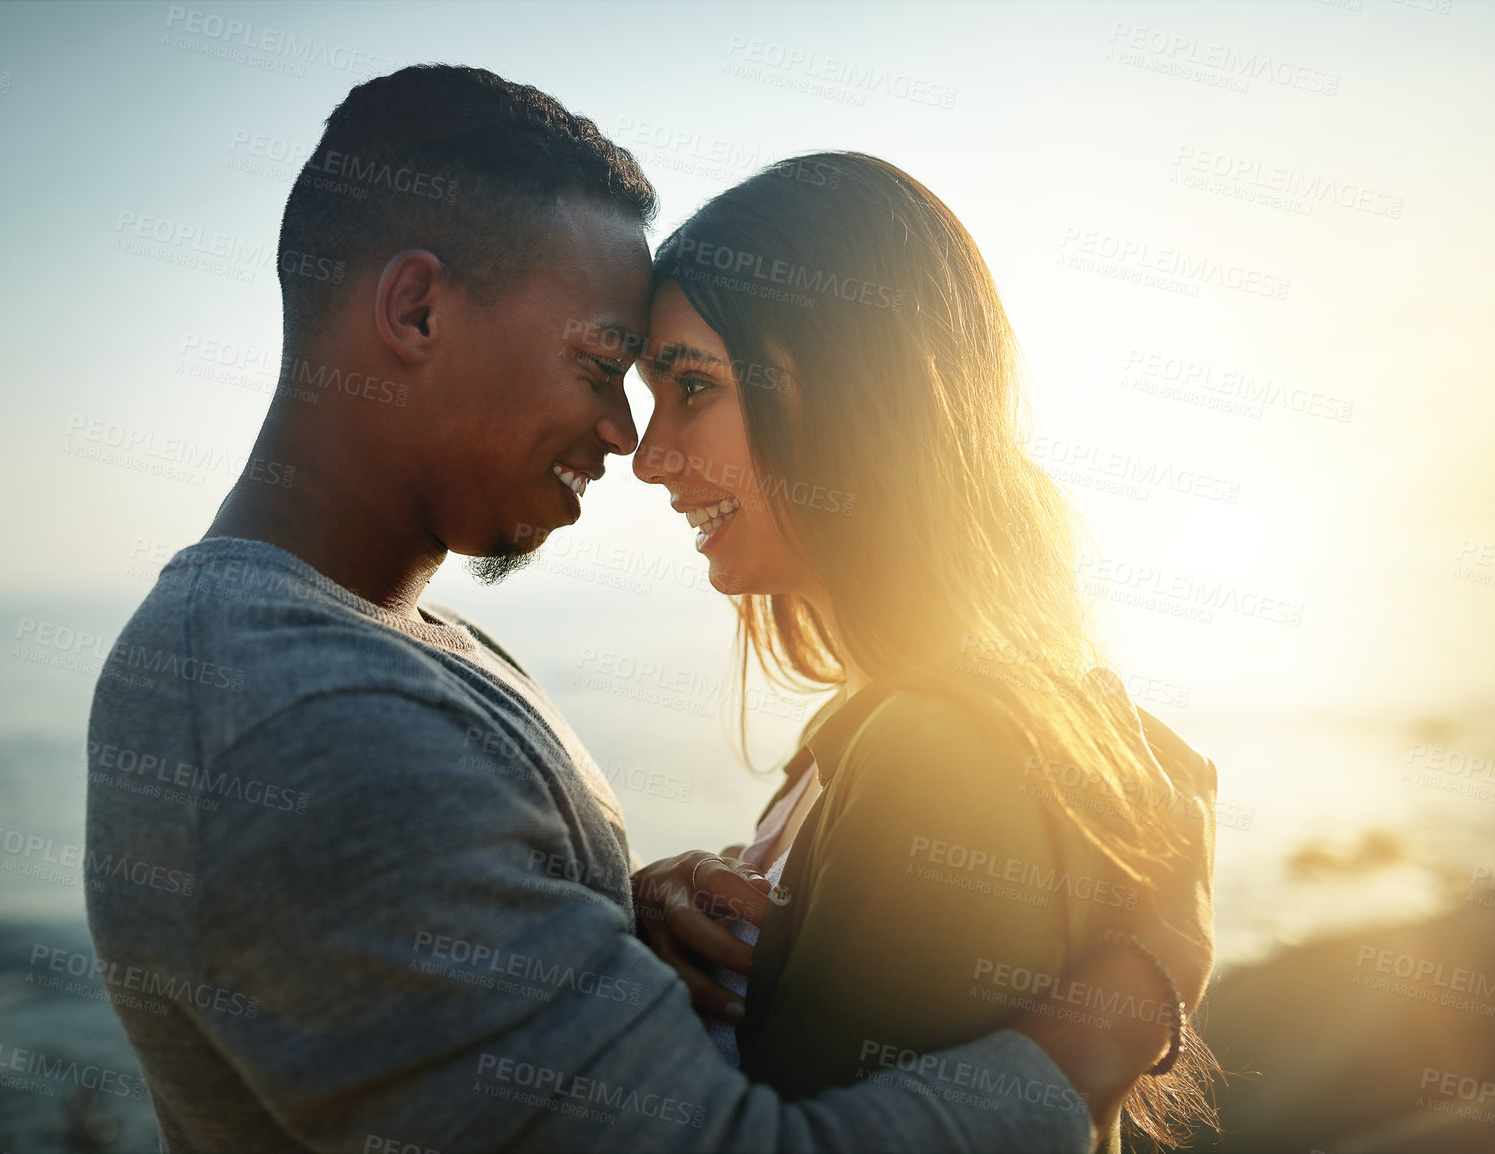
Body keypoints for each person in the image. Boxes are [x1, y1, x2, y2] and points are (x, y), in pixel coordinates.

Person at [85, 65, 1209, 1153]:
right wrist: (1136, 991)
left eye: (686, 385)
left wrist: (620, 922)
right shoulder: (301, 714)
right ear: (417, 310)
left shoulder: (407, 650)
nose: (632, 443)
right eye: (604, 364)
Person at [626, 153, 1219, 1152]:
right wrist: (640, 923)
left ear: (862, 386)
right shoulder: (881, 731)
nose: (648, 457)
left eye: (693, 386)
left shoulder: (936, 748)